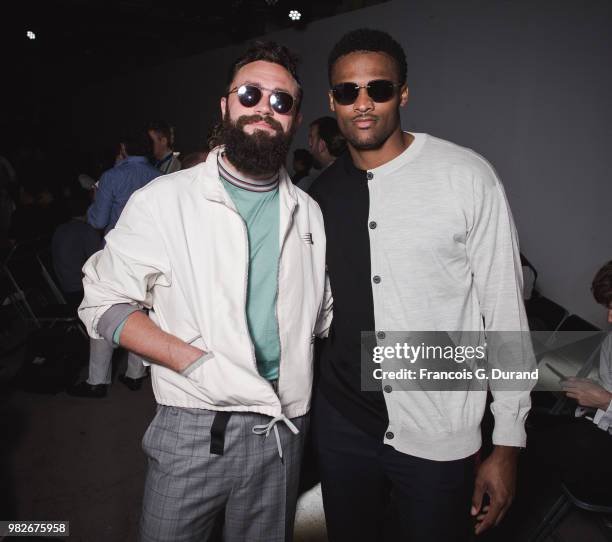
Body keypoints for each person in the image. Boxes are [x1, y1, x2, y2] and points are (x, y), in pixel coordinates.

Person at [79, 41, 331, 542]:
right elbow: (103, 302)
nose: (265, 108)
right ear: (225, 106)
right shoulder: (165, 200)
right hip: (195, 424)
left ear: (296, 118)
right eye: (249, 93)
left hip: (284, 425)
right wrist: (191, 360)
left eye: (281, 101)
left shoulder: (309, 211)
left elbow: (319, 315)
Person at [310, 28, 532, 542]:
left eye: (378, 89)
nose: (362, 104)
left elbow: (504, 313)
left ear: (403, 93)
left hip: (439, 427)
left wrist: (508, 442)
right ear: (332, 101)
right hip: (343, 423)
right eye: (348, 92)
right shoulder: (316, 197)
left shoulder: (465, 176)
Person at [87, 131, 160, 234]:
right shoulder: (160, 176)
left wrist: (95, 200)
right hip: (149, 241)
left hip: (118, 244)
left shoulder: (110, 177)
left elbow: (99, 222)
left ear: (123, 147)